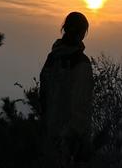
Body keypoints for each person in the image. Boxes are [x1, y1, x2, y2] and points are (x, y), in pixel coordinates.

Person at [40, 12, 94, 167]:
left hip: (49, 134)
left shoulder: (51, 59)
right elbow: (81, 105)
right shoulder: (81, 63)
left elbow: (43, 94)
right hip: (71, 142)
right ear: (83, 33)